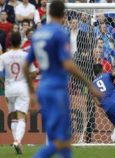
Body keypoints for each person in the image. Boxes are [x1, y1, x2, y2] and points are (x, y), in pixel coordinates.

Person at [23, 1, 100, 158]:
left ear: (49, 13)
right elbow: (67, 64)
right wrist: (89, 84)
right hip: (57, 89)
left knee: (59, 139)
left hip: (43, 89)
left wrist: (31, 92)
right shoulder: (59, 33)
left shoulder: (38, 34)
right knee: (62, 141)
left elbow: (25, 65)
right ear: (64, 15)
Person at [0, 32, 37, 154]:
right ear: (21, 41)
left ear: (9, 42)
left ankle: (16, 141)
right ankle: (17, 141)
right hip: (22, 88)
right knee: (21, 116)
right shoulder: (25, 56)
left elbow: (0, 73)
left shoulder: (3, 56)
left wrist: (4, 82)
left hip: (9, 88)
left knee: (14, 117)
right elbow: (33, 72)